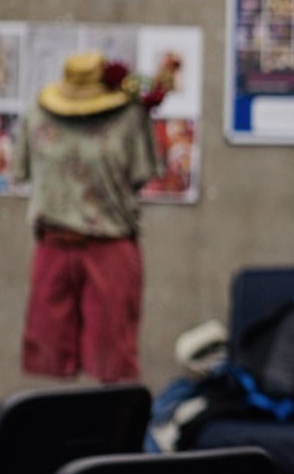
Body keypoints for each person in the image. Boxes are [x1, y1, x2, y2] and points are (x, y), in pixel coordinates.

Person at [12, 50, 175, 383]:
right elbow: (23, 169)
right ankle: (51, 430)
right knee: (48, 356)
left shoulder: (130, 116)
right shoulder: (37, 113)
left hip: (111, 245)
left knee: (113, 358)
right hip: (53, 244)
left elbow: (143, 174)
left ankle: (109, 433)